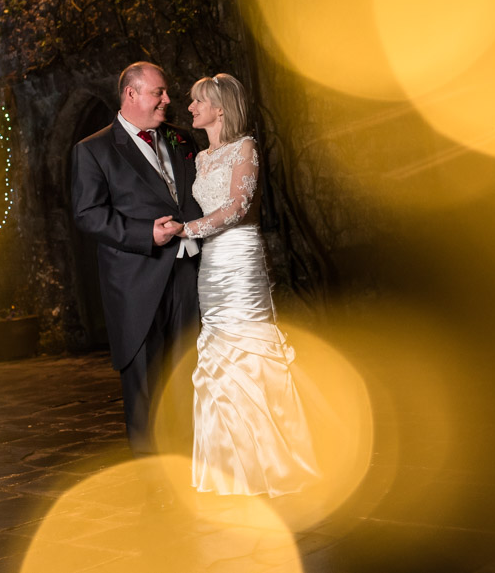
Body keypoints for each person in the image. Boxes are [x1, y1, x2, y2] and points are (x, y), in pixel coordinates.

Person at [179, 73, 320, 496]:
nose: (190, 108)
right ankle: (232, 467)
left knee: (251, 352)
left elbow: (239, 206)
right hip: (211, 266)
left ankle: (278, 463)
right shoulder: (202, 159)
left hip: (240, 259)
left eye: (197, 102)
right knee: (218, 357)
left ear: (220, 109)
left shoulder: (246, 148)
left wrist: (188, 229)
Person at [70, 61, 202, 456]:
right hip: (136, 283)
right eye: (158, 93)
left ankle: (192, 463)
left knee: (191, 370)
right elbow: (87, 215)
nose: (167, 99)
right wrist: (146, 234)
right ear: (131, 94)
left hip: (188, 273)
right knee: (145, 382)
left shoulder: (181, 140)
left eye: (165, 93)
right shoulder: (92, 150)